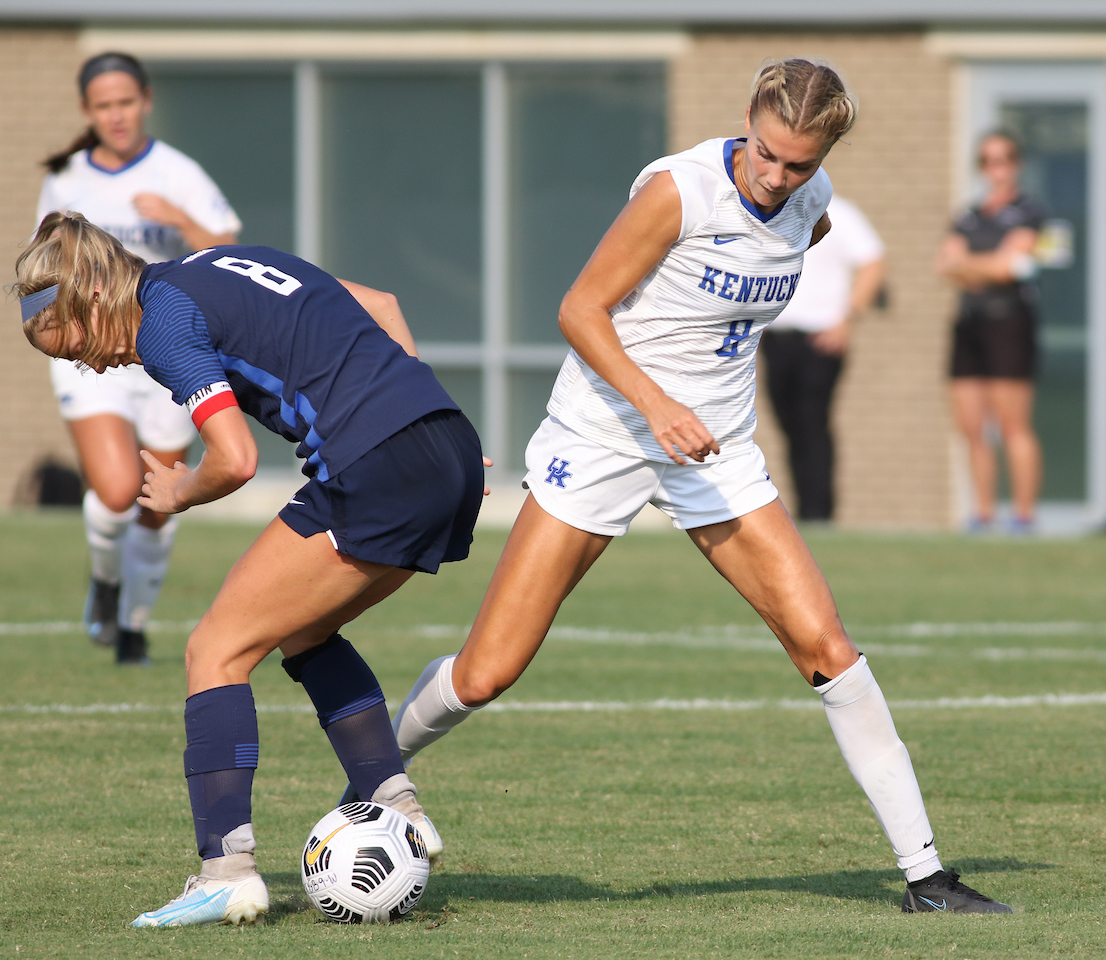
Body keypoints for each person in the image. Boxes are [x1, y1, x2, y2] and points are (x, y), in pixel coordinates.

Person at [382, 60, 1011, 914]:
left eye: (798, 163)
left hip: (715, 451)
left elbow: (787, 249)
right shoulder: (679, 192)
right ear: (746, 120)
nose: (777, 175)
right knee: (490, 670)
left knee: (827, 648)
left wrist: (698, 402)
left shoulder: (811, 201)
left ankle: (926, 877)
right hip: (603, 433)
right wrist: (658, 402)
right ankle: (374, 772)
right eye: (766, 153)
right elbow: (578, 309)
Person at [16, 212, 484, 926]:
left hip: (378, 463)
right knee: (305, 631)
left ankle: (226, 871)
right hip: (448, 442)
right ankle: (396, 804)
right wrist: (417, 420)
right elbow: (382, 306)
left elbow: (233, 460)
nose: (92, 363)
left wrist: (178, 490)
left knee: (216, 649)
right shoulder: (219, 263)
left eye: (76, 342)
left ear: (94, 294)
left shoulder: (161, 323)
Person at [36, 52, 241, 662]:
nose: (116, 116)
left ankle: (132, 627)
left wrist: (178, 220)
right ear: (86, 111)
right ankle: (105, 581)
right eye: (103, 106)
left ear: (145, 100)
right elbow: (42, 273)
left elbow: (229, 251)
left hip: (165, 347)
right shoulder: (68, 177)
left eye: (125, 102)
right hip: (92, 354)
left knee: (159, 498)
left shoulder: (178, 172)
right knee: (120, 488)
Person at [936, 130, 1045, 534]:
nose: (996, 169)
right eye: (987, 161)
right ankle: (982, 514)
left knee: (1013, 424)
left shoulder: (1030, 212)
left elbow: (1008, 266)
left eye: (1003, 160)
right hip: (968, 324)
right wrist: (985, 266)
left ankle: (1023, 515)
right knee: (971, 427)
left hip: (1009, 324)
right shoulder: (968, 215)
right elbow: (945, 264)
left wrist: (971, 265)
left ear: (1016, 164)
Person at [760, 194, 885, 521]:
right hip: (776, 338)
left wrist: (848, 319)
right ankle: (804, 510)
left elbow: (873, 262)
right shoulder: (772, 211)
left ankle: (819, 513)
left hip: (820, 339)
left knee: (812, 424)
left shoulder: (842, 212)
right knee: (788, 426)